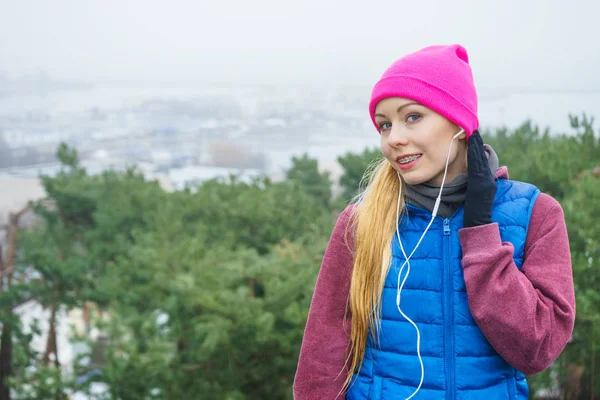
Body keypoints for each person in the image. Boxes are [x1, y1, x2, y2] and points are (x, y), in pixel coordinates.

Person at [293, 44, 575, 399]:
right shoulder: (361, 221)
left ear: (458, 122)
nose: (394, 138)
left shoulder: (536, 214)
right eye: (385, 124)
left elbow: (538, 349)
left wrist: (481, 237)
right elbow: (321, 362)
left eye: (412, 117)